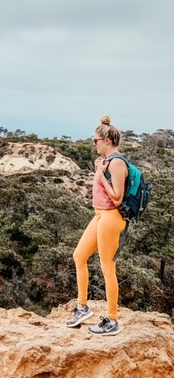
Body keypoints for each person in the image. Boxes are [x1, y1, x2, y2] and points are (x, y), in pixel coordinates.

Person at [66, 115, 127, 335]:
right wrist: (100, 171)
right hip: (100, 215)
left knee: (107, 267)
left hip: (111, 217)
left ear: (107, 141)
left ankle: (112, 320)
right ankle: (82, 307)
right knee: (79, 256)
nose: (94, 144)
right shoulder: (107, 162)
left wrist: (101, 176)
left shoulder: (118, 163)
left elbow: (117, 198)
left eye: (96, 140)